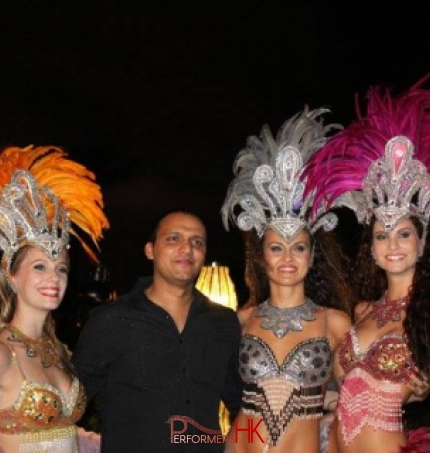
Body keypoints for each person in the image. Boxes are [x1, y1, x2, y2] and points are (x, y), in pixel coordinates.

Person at [304, 77, 430, 452]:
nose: (391, 245)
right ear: (371, 249)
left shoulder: (426, 313)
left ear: (422, 243)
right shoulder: (361, 311)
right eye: (380, 235)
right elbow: (342, 394)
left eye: (403, 234)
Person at [220, 107, 353, 453]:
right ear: (262, 257)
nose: (287, 259)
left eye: (299, 248)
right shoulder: (242, 320)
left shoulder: (334, 322)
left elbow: (358, 400)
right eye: (277, 248)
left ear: (311, 256)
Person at [72, 208, 243, 453]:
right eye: (174, 239)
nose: (187, 249)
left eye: (197, 242)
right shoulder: (110, 321)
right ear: (150, 250)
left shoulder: (223, 322)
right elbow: (72, 404)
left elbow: (242, 404)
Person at [0, 145, 109, 452]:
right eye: (39, 267)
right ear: (12, 275)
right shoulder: (2, 352)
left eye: (61, 268)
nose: (54, 278)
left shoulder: (58, 351)